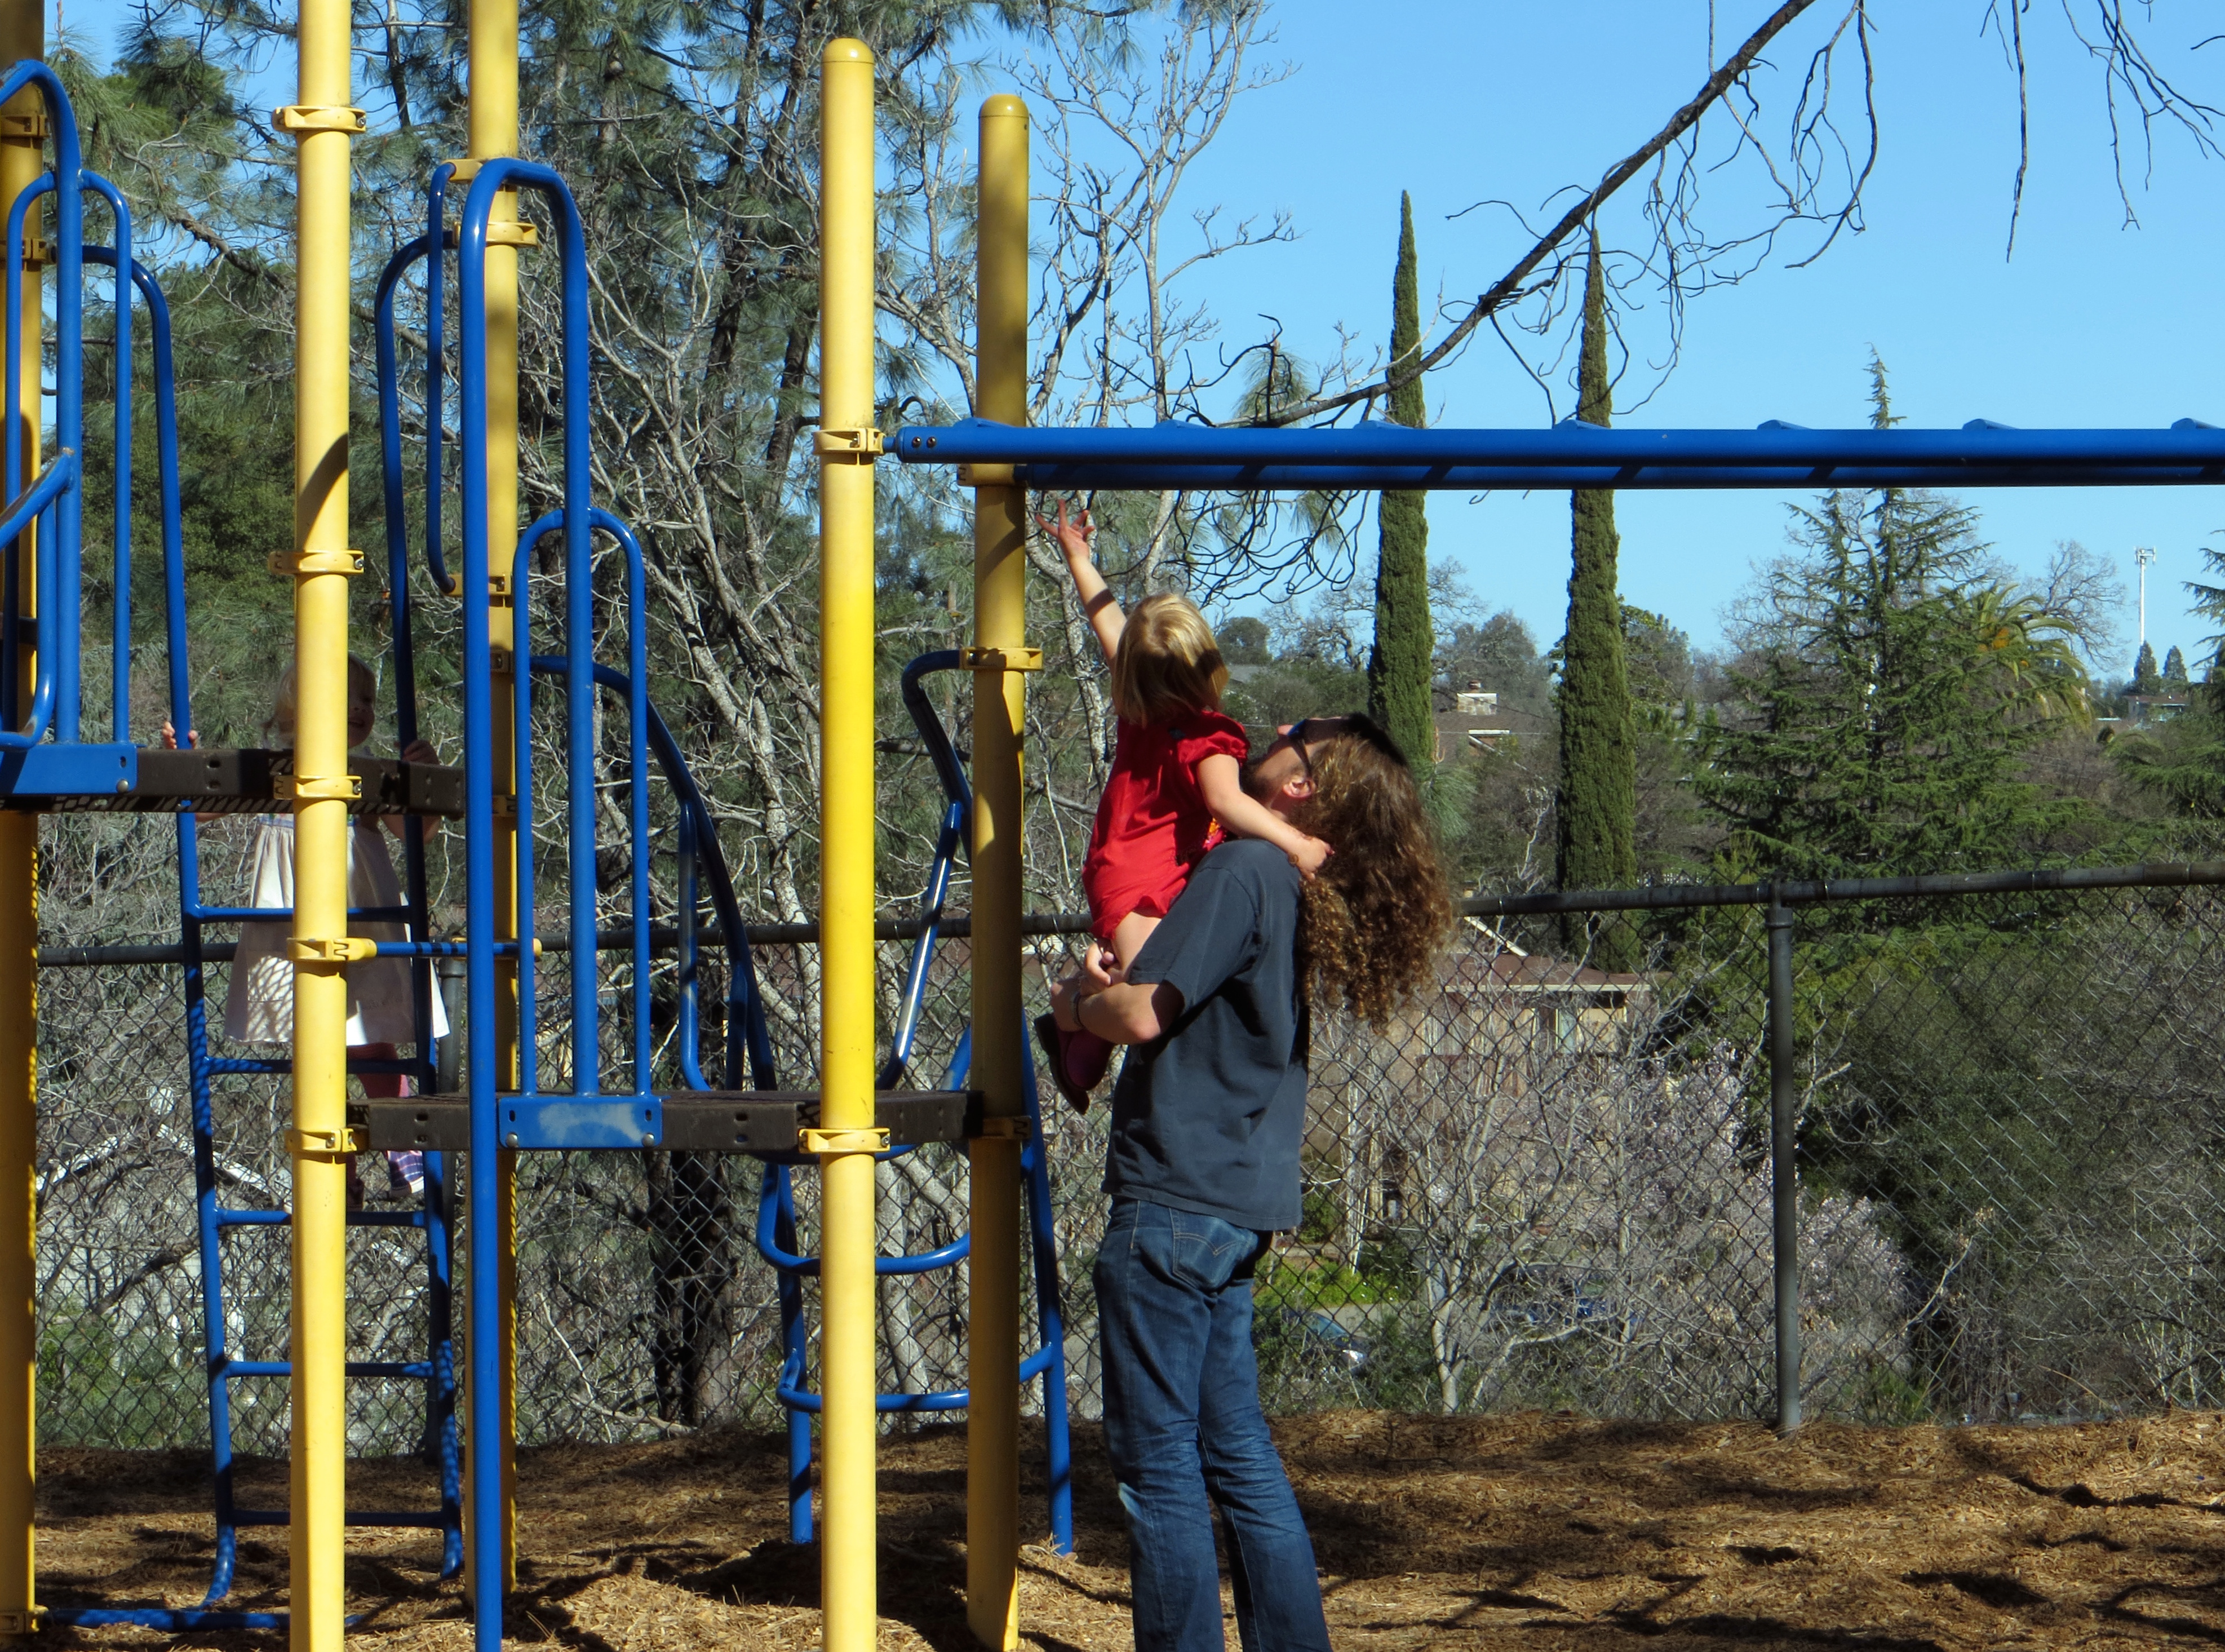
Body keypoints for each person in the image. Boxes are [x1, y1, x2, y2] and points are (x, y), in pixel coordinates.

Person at [1049, 712, 1450, 1652]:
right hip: (1234, 1207)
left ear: (1301, 785)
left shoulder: (1241, 871)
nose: (1274, 727)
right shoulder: (1289, 888)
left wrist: (1073, 1005)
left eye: (1295, 733)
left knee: (1158, 1466)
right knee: (1236, 1454)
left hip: (1174, 1204)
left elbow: (1144, 1015)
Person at [1034, 500, 1329, 1110]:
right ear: (1208, 666)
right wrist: (1297, 843)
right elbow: (1227, 800)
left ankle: (1080, 1018)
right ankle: (1071, 1009)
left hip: (1125, 868)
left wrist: (1080, 559)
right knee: (1147, 990)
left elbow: (1110, 625)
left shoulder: (1139, 706)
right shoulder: (1207, 735)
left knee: (1142, 986)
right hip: (1142, 878)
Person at [165, 657, 446, 1204]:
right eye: (348, 697)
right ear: (303, 706)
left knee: (370, 1038)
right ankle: (335, 1169)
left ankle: (399, 1142)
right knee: (312, 1050)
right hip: (291, 924)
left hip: (358, 920)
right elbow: (198, 811)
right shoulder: (273, 770)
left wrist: (423, 781)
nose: (361, 709)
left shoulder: (366, 773)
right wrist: (183, 766)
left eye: (368, 700)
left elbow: (419, 834)